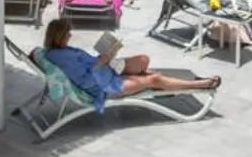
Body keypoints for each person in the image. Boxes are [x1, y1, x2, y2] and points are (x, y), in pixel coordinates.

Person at [42, 17, 219, 103]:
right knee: (154, 80)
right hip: (105, 86)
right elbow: (87, 81)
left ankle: (145, 75)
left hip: (106, 70)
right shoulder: (62, 57)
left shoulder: (59, 50)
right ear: (60, 36)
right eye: (68, 34)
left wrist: (105, 58)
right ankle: (200, 84)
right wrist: (104, 60)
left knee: (143, 60)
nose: (70, 36)